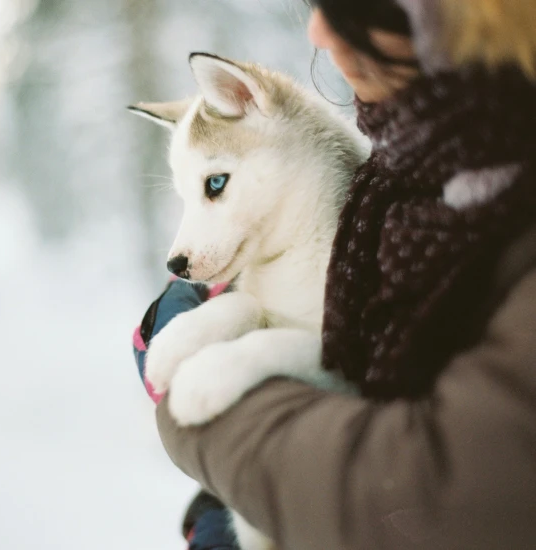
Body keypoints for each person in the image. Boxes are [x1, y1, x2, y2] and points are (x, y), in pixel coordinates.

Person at [133, 0, 536, 548]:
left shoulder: (470, 219)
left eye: (356, 6)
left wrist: (216, 414)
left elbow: (427, 487)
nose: (318, 29)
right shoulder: (396, 186)